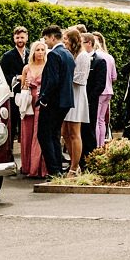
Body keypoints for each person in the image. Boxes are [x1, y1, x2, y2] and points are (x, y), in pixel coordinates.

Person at [36, 26, 75, 178]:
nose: (45, 43)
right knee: (54, 134)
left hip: (53, 101)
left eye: (46, 39)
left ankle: (53, 171)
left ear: (53, 37)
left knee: (44, 135)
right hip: (65, 101)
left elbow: (53, 80)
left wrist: (44, 98)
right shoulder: (68, 54)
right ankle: (57, 168)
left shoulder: (54, 55)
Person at [19, 41, 50, 180]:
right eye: (37, 49)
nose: (40, 52)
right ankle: (27, 166)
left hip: (42, 102)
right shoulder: (27, 67)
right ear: (33, 52)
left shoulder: (48, 66)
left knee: (39, 133)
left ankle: (38, 168)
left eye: (42, 49)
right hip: (28, 103)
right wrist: (25, 85)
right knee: (27, 133)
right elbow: (22, 88)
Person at [63, 28, 90, 176]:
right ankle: (73, 162)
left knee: (74, 132)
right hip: (68, 95)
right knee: (65, 132)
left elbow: (80, 79)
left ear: (73, 40)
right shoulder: (71, 54)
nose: (64, 41)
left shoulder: (83, 56)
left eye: (66, 38)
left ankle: (75, 166)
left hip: (77, 95)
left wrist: (62, 77)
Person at [0, 27, 30, 143]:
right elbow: (3, 75)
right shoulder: (7, 56)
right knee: (12, 123)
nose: (20, 40)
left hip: (28, 93)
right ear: (14, 39)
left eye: (22, 37)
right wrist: (17, 77)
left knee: (26, 122)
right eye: (17, 38)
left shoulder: (31, 54)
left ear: (26, 38)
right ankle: (10, 149)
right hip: (13, 95)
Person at [82, 35, 108, 158]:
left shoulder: (99, 61)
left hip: (90, 101)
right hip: (78, 100)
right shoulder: (78, 59)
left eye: (83, 42)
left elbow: (100, 85)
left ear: (90, 43)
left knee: (89, 130)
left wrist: (89, 99)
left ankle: (90, 158)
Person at [91, 33, 117, 149]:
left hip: (99, 91)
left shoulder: (95, 57)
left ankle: (96, 146)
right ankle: (101, 145)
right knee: (102, 120)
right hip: (108, 91)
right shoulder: (110, 57)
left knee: (95, 119)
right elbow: (114, 77)